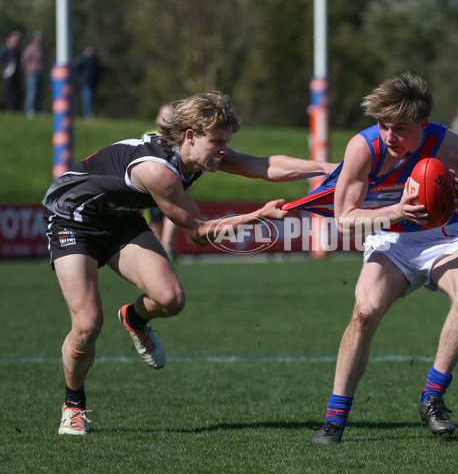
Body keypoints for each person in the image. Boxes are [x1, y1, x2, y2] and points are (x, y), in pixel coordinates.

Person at [42, 92, 335, 435]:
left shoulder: (199, 153)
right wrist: (256, 216)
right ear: (191, 135)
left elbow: (263, 166)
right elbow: (198, 232)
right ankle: (73, 403)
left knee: (170, 299)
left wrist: (326, 167)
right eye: (217, 142)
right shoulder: (159, 172)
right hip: (72, 219)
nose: (224, 150)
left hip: (119, 219)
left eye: (227, 141)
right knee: (88, 324)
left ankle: (134, 318)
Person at [308, 73, 458, 444]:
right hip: (389, 237)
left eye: (400, 128)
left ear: (423, 125)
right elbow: (345, 219)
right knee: (364, 312)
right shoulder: (363, 148)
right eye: (382, 126)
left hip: (442, 236)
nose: (389, 136)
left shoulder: (456, 150)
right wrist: (396, 211)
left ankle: (432, 396)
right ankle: (335, 418)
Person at [146, 104, 179, 259]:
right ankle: (159, 249)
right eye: (164, 115)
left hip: (173, 185)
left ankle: (168, 245)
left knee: (173, 213)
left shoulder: (180, 137)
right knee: (155, 220)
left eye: (171, 115)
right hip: (153, 188)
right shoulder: (148, 135)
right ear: (157, 118)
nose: (167, 119)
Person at [21, 32, 47, 118]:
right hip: (31, 73)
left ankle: (38, 109)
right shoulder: (29, 49)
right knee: (32, 92)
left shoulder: (42, 50)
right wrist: (26, 70)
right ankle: (30, 109)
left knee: (39, 93)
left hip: (40, 73)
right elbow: (24, 61)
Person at [76, 45, 100, 119]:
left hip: (93, 83)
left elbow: (98, 72)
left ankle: (87, 113)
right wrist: (82, 76)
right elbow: (76, 67)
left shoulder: (94, 60)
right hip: (86, 82)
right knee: (87, 98)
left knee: (90, 98)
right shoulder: (83, 59)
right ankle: (87, 114)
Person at [0, 31, 22, 111]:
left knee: (18, 91)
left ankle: (17, 108)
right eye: (14, 40)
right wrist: (7, 63)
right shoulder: (4, 50)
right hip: (7, 73)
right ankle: (8, 108)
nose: (16, 42)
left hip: (16, 74)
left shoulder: (17, 51)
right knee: (8, 91)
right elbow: (1, 60)